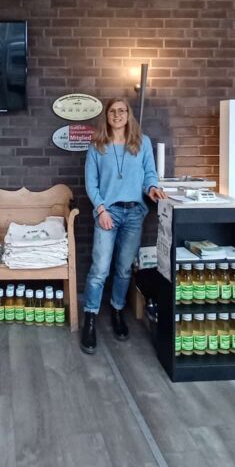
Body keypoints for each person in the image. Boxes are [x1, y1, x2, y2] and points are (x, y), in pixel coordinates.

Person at [81, 98, 166, 354]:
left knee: (124, 269)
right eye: (112, 111)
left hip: (134, 213)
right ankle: (90, 318)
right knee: (100, 269)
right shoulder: (97, 146)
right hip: (108, 213)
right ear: (106, 116)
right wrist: (101, 210)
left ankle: (117, 311)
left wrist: (152, 188)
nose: (117, 115)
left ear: (128, 115)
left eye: (122, 110)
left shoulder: (142, 142)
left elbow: (149, 173)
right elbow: (91, 183)